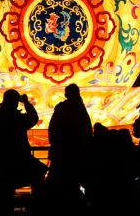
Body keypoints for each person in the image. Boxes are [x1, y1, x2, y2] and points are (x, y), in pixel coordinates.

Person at [0, 89, 48, 210]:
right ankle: (37, 205)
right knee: (39, 172)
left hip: (1, 156)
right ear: (15, 101)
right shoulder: (16, 118)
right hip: (19, 157)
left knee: (6, 188)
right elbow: (33, 118)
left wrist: (3, 104)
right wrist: (26, 103)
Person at [41, 83, 93, 215]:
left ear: (66, 94)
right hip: (75, 153)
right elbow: (87, 130)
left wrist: (56, 144)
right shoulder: (80, 109)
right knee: (72, 180)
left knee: (57, 179)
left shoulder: (62, 109)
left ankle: (52, 205)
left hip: (61, 152)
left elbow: (53, 130)